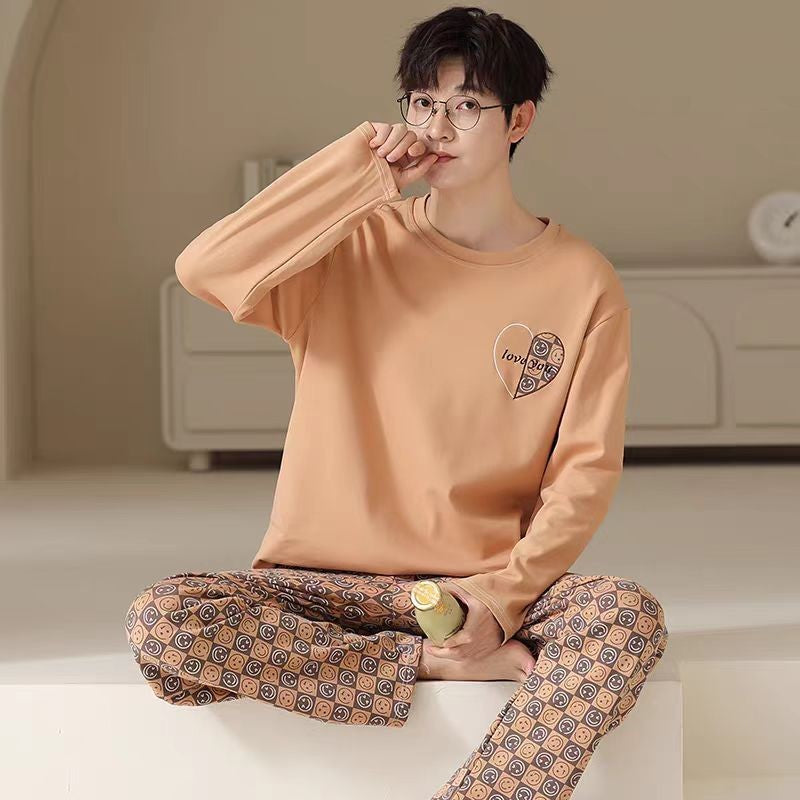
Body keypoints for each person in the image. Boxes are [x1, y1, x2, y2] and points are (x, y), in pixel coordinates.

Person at [124, 6, 669, 798]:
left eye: (466, 105)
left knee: (624, 617)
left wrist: (497, 601)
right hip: (323, 587)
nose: (437, 127)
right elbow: (204, 267)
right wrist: (357, 174)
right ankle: (420, 666)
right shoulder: (350, 245)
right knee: (166, 621)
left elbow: (582, 473)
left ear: (519, 120)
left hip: (476, 589)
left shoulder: (583, 282)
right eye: (421, 102)